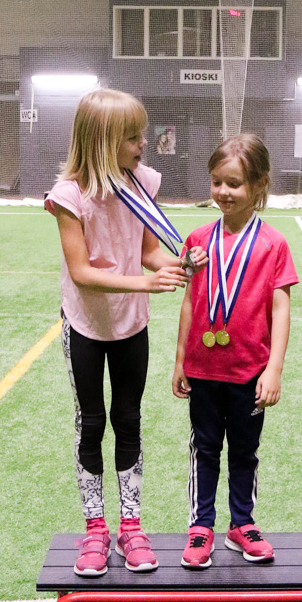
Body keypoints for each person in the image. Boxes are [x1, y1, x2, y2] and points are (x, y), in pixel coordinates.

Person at [45, 88, 204, 576]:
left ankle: (131, 526)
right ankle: (95, 529)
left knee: (128, 419)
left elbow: (149, 251)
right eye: (133, 137)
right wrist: (144, 282)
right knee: (92, 422)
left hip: (131, 325)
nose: (144, 144)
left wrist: (176, 264)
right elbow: (81, 272)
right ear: (103, 141)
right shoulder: (69, 196)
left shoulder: (143, 182)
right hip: (86, 325)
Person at [172, 134, 298, 569]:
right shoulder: (197, 240)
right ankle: (201, 525)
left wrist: (274, 369)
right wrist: (180, 360)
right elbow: (190, 301)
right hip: (204, 369)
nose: (223, 192)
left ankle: (241, 523)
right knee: (204, 449)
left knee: (245, 451)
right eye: (217, 182)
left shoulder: (273, 244)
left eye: (234, 183)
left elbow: (281, 309)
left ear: (259, 185)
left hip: (249, 371)